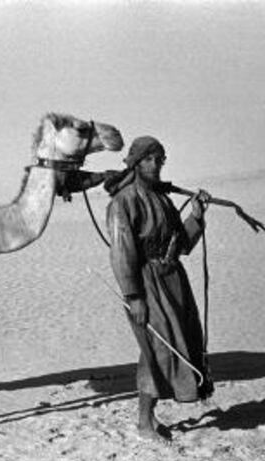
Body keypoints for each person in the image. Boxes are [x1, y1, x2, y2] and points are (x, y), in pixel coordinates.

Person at [105, 136, 214, 443]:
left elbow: (182, 246)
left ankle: (148, 418)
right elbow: (122, 252)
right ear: (136, 163)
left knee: (179, 345)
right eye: (149, 160)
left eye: (160, 159)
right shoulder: (124, 202)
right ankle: (143, 423)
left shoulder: (163, 199)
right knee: (157, 350)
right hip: (146, 282)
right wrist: (134, 297)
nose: (155, 165)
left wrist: (196, 216)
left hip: (173, 280)